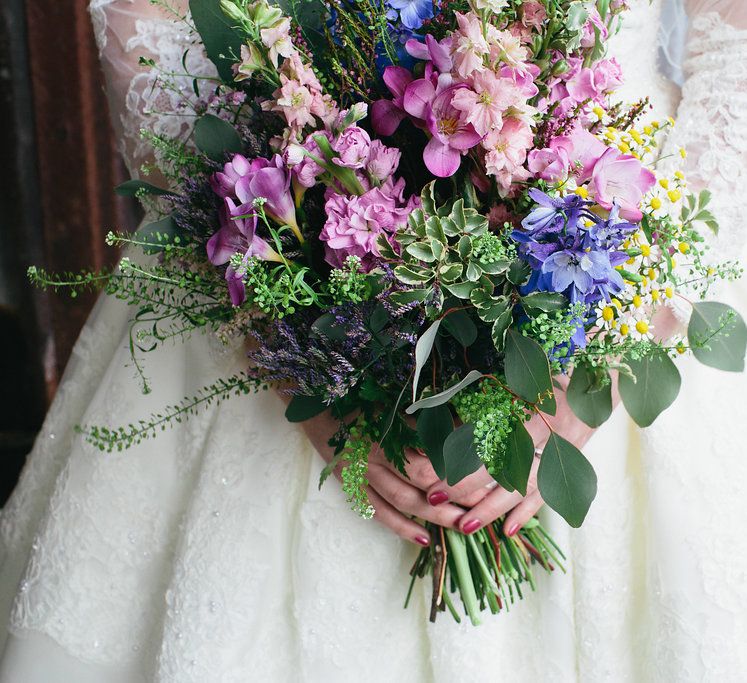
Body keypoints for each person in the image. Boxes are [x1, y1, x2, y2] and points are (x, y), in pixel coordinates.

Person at [1, 0, 745, 680]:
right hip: (293, 236)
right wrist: (295, 350)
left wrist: (615, 345)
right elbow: (145, 22)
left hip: (613, 245)